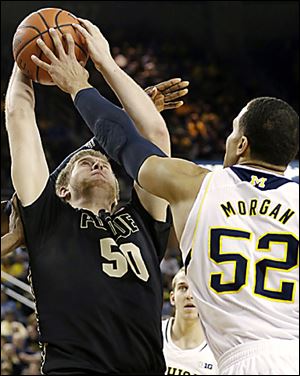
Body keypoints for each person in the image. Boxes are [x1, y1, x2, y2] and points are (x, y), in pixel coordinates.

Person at [31, 20, 299, 375]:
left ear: (242, 144)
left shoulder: (197, 184)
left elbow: (128, 142)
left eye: (233, 132)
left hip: (242, 360)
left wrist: (86, 80)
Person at [5, 43, 190, 374]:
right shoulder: (47, 217)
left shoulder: (143, 220)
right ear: (62, 189)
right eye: (85, 160)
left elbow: (155, 134)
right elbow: (18, 116)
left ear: (120, 191)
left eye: (103, 161)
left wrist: (107, 66)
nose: (97, 162)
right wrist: (26, 58)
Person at [162, 267, 218, 375]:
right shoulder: (155, 335)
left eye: (196, 289)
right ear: (172, 298)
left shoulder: (217, 348)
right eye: (183, 288)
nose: (189, 295)